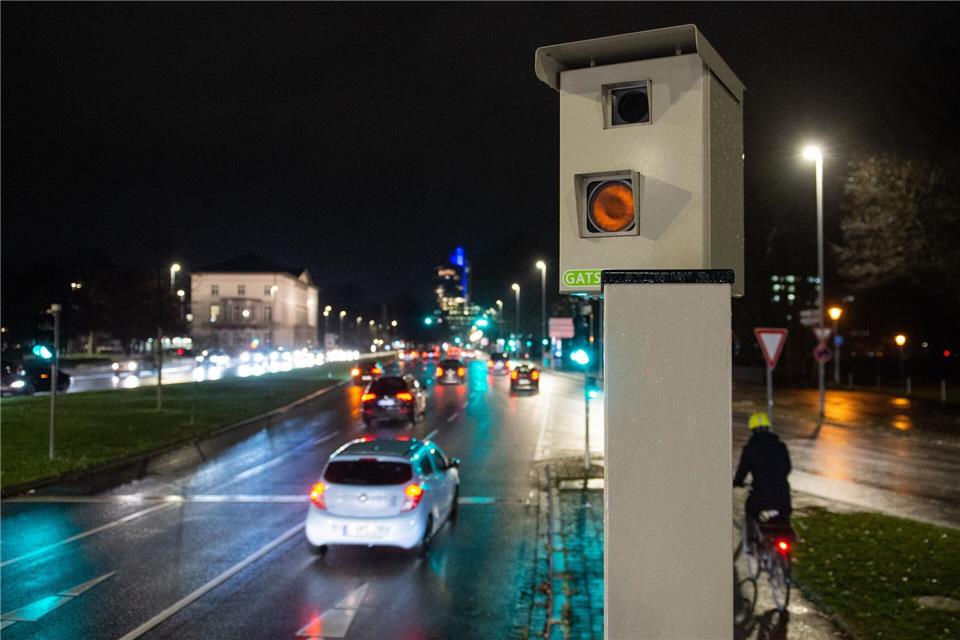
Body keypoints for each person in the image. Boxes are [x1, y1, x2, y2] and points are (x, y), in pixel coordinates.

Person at [733, 412, 792, 523]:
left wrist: (737, 482)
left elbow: (742, 471)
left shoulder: (750, 448)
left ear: (752, 430)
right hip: (783, 497)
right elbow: (787, 468)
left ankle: (749, 539)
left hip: (760, 497)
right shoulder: (781, 447)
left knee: (750, 513)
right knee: (784, 523)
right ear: (768, 428)